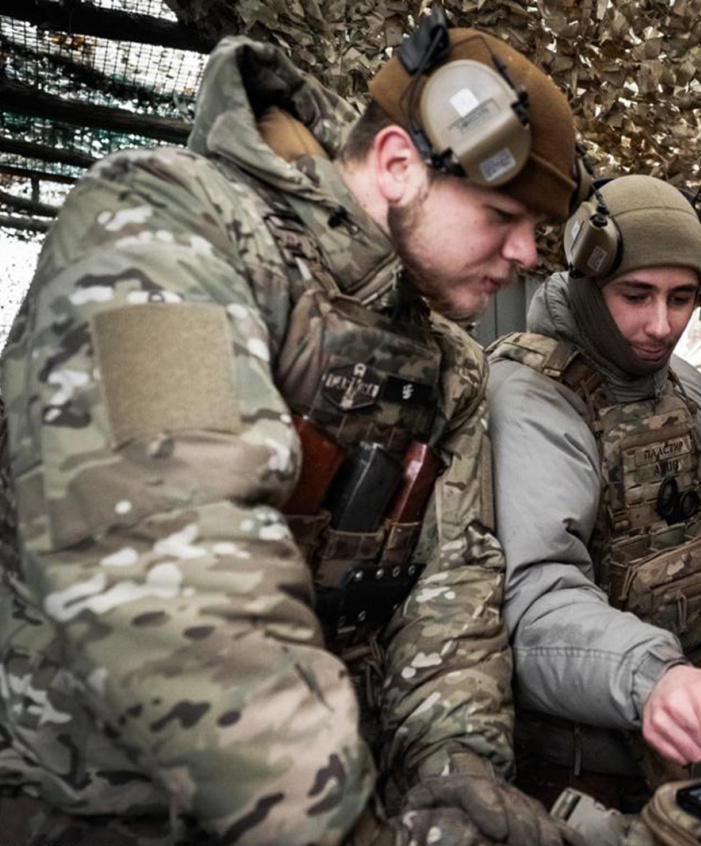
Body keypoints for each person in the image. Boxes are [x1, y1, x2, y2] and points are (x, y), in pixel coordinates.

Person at [0, 9, 589, 846]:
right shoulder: (156, 230)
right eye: (502, 216)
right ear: (398, 164)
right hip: (90, 807)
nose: (528, 253)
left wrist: (456, 775)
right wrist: (344, 827)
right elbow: (168, 559)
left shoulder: (450, 367)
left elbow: (450, 600)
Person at [486, 175, 701, 811]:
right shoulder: (530, 400)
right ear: (588, 284)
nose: (661, 325)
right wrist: (655, 676)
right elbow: (532, 604)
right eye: (636, 295)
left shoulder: (686, 386)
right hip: (578, 774)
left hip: (692, 742)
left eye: (682, 297)